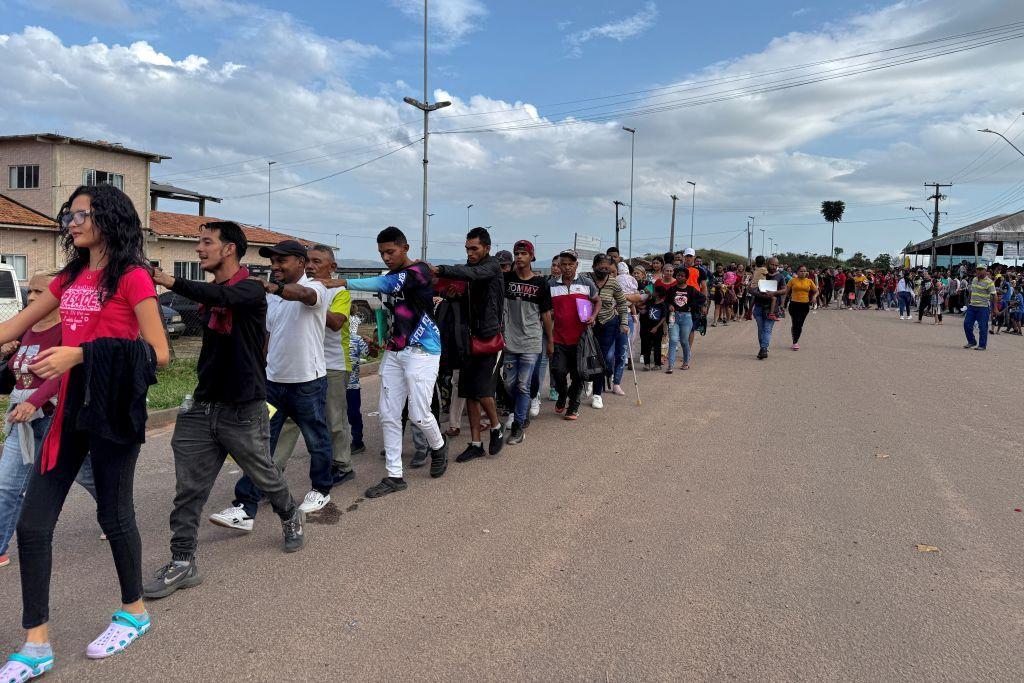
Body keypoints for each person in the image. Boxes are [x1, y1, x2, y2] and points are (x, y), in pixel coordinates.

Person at [0, 185, 169, 677]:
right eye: (68, 216)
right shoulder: (70, 276)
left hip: (112, 410)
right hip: (69, 409)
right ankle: (36, 644)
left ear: (109, 218)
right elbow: (14, 326)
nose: (71, 223)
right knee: (33, 524)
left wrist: (80, 354)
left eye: (82, 215)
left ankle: (134, 612)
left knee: (115, 515)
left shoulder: (133, 277)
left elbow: (159, 354)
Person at [144, 222, 305, 601]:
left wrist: (167, 279)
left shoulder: (250, 289)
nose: (199, 249)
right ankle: (183, 562)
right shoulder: (214, 295)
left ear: (229, 248)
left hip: (244, 408)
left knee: (264, 474)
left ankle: (289, 513)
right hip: (202, 406)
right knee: (189, 490)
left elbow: (221, 296)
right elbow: (211, 298)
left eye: (206, 242)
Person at [320, 227, 448, 496]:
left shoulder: (419, 271)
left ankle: (438, 446)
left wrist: (342, 282)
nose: (386, 257)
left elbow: (389, 285)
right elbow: (390, 306)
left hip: (423, 349)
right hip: (395, 350)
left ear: (405, 248)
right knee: (388, 414)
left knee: (419, 414)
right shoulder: (391, 274)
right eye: (381, 253)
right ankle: (394, 475)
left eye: (390, 252)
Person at [222, 240, 335, 529]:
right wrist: (259, 370)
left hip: (307, 383)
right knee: (258, 444)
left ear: (301, 262)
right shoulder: (272, 298)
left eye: (281, 261)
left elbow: (305, 295)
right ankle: (245, 508)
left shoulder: (317, 287)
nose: (275, 266)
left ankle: (321, 490)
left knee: (317, 440)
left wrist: (274, 288)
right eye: (273, 261)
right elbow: (269, 336)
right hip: (272, 384)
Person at [272, 245, 355, 486]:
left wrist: (313, 301)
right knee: (289, 420)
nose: (310, 266)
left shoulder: (338, 292)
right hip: (303, 365)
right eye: (308, 261)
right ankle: (272, 472)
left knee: (333, 419)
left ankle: (342, 464)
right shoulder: (296, 289)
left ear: (332, 267)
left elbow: (336, 323)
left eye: (317, 261)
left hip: (333, 363)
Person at [0, 273, 62, 569]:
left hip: (54, 418)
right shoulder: (25, 328)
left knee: (88, 475)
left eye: (40, 292)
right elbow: (17, 371)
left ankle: (112, 516)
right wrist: (6, 351)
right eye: (30, 291)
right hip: (22, 420)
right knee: (6, 485)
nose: (32, 297)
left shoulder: (68, 329)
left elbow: (65, 374)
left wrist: (34, 401)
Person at [433, 227, 506, 462]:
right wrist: (453, 294)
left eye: (474, 248)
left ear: (487, 248)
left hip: (489, 340)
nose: (470, 253)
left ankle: (496, 427)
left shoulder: (492, 267)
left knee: (482, 392)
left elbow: (474, 275)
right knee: (469, 393)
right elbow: (467, 297)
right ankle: (476, 444)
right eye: (467, 249)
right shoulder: (470, 269)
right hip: (467, 341)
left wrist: (439, 269)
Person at [500, 240, 552, 445]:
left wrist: (550, 341)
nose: (519, 256)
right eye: (517, 253)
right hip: (509, 341)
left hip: (532, 340)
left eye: (523, 253)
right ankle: (522, 409)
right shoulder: (506, 279)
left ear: (532, 257)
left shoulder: (541, 283)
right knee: (509, 384)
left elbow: (546, 314)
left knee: (523, 385)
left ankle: (518, 425)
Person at [549, 250, 600, 421]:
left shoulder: (586, 283)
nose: (567, 267)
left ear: (577, 265)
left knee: (579, 374)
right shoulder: (551, 285)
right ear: (559, 266)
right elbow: (546, 310)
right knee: (558, 372)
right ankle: (563, 394)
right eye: (564, 264)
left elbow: (597, 301)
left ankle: (573, 407)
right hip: (559, 339)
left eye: (571, 264)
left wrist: (593, 316)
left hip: (581, 339)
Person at [587, 254, 629, 407]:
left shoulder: (613, 283)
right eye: (601, 267)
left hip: (608, 323)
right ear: (594, 267)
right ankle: (588, 380)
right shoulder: (585, 279)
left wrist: (624, 323)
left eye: (607, 268)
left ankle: (597, 394)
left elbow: (622, 303)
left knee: (602, 358)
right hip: (588, 323)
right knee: (587, 355)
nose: (604, 270)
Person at [749, 256, 787, 359]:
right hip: (758, 306)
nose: (774, 267)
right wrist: (759, 294)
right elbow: (750, 289)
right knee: (761, 329)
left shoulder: (780, 277)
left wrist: (774, 293)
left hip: (772, 308)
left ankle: (763, 349)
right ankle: (763, 348)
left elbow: (784, 290)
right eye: (772, 264)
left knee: (767, 329)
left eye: (776, 265)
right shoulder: (759, 274)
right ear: (766, 264)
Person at [346, 316, 374, 455]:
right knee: (332, 415)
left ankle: (357, 441)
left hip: (352, 386)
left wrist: (372, 343)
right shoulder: (329, 338)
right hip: (333, 384)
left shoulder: (356, 339)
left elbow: (371, 354)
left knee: (353, 414)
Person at [964, 263, 996, 350]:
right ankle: (971, 342)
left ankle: (982, 345)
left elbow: (994, 295)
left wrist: (994, 309)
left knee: (983, 327)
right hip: (972, 306)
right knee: (967, 324)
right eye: (977, 269)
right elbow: (971, 292)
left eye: (981, 269)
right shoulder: (974, 279)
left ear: (985, 271)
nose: (978, 271)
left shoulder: (989, 282)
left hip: (983, 307)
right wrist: (968, 303)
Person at [785, 265, 817, 350]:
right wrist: (782, 303)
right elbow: (786, 292)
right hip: (794, 305)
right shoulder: (792, 280)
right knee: (796, 322)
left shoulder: (809, 281)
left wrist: (814, 297)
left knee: (800, 324)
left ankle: (795, 337)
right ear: (797, 272)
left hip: (805, 305)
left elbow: (816, 291)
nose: (803, 273)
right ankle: (795, 342)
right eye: (801, 271)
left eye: (804, 271)